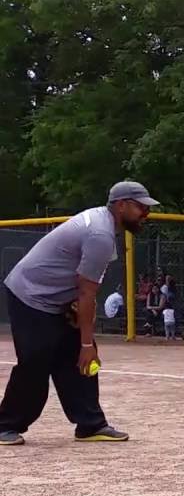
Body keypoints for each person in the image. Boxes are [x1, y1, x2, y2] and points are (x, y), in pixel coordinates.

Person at [0, 180, 158, 445]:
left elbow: (81, 286)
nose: (146, 214)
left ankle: (90, 424)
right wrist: (86, 343)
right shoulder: (100, 235)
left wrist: (83, 341)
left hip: (57, 298)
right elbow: (87, 293)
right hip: (30, 295)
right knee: (36, 361)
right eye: (141, 207)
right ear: (121, 206)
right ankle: (5, 424)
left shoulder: (103, 225)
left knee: (81, 362)